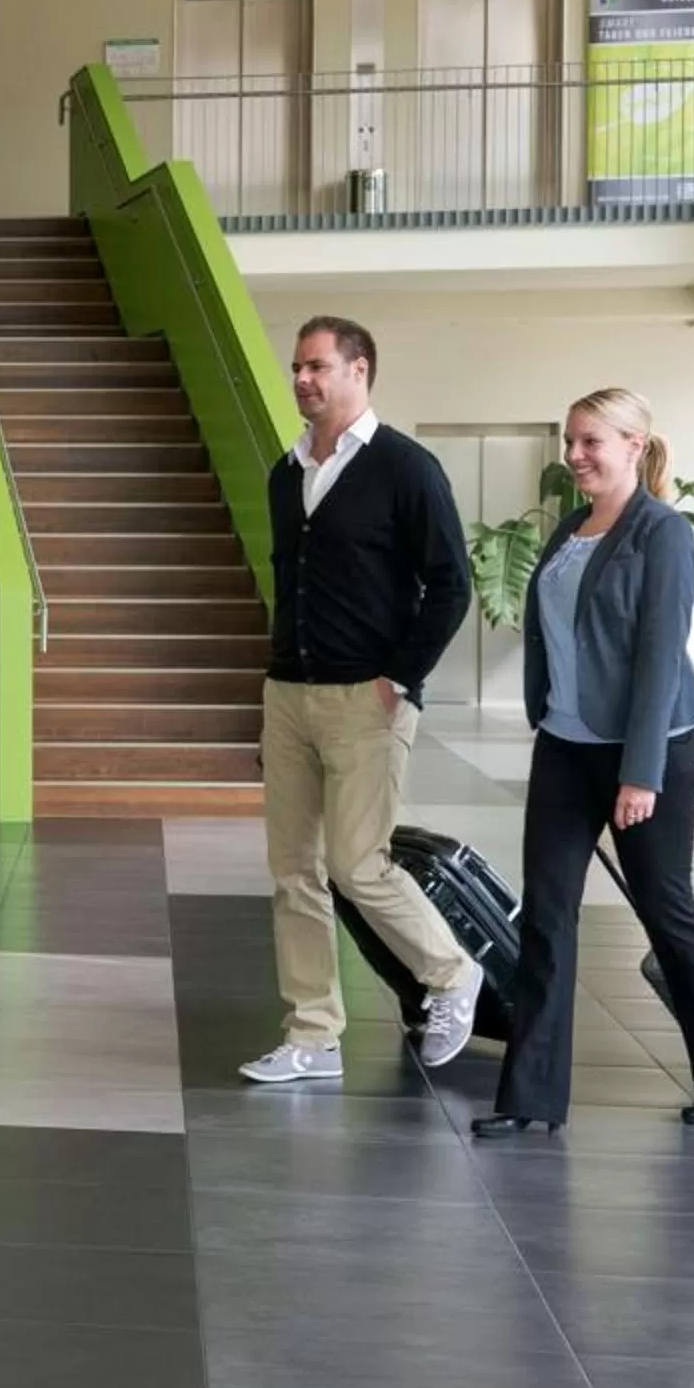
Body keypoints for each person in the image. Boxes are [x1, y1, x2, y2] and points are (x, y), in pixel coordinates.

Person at [478, 389, 694, 1133]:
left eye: (592, 441)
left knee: (665, 908)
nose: (575, 455)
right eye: (571, 441)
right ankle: (531, 1097)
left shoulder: (662, 532)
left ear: (636, 444)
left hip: (650, 746)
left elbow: (661, 655)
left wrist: (641, 772)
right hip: (567, 745)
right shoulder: (571, 527)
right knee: (546, 913)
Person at [242, 316, 485, 1084]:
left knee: (357, 865)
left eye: (317, 366)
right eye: (297, 368)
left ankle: (451, 974)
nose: (303, 380)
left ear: (360, 369)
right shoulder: (287, 472)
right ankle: (313, 1035)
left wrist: (399, 677)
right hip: (289, 695)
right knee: (294, 873)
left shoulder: (407, 468)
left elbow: (451, 584)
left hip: (366, 700)